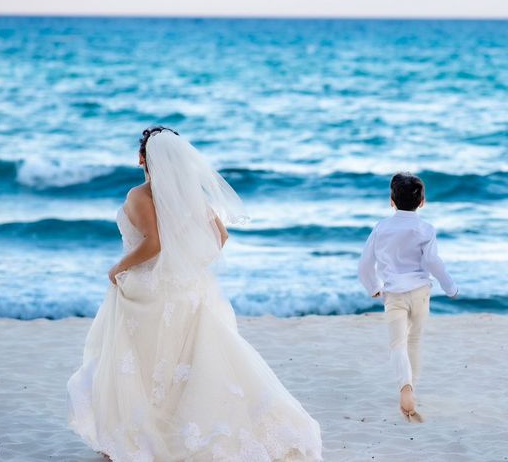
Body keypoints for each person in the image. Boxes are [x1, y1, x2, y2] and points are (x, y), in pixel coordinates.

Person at [67, 127, 322, 462]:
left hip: (146, 289)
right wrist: (188, 266)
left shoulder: (139, 195)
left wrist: (117, 268)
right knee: (180, 364)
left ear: (141, 158)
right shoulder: (188, 195)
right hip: (187, 289)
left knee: (139, 366)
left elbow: (153, 244)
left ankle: (135, 441)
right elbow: (222, 237)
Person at [358, 172, 459, 423]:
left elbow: (364, 265)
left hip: (393, 294)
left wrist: (373, 287)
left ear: (391, 200)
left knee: (397, 344)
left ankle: (405, 387)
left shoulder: (381, 228)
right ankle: (412, 387)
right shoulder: (425, 228)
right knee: (414, 341)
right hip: (420, 293)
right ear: (422, 201)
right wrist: (450, 287)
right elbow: (433, 261)